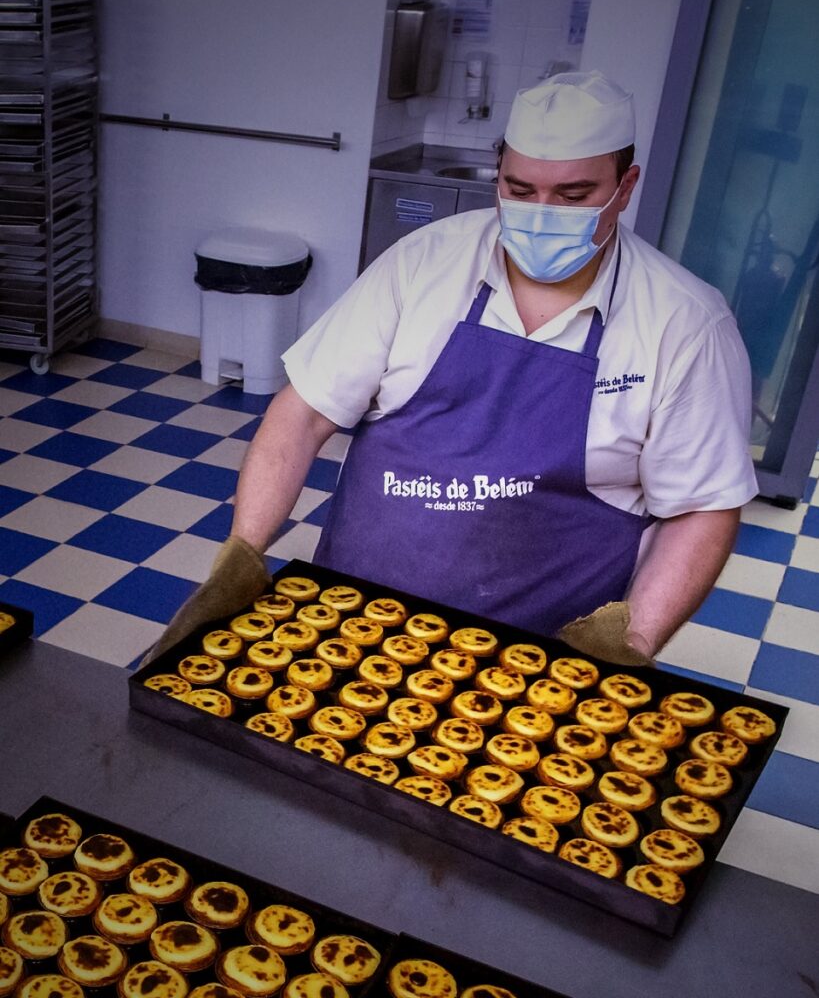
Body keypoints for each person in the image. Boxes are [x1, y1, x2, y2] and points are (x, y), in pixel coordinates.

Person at [147, 71, 758, 667]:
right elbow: (303, 414)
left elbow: (701, 508)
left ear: (626, 187)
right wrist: (243, 555)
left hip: (538, 662)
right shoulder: (423, 263)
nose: (542, 213)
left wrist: (630, 643)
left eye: (574, 197)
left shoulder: (684, 324)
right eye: (519, 189)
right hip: (353, 624)